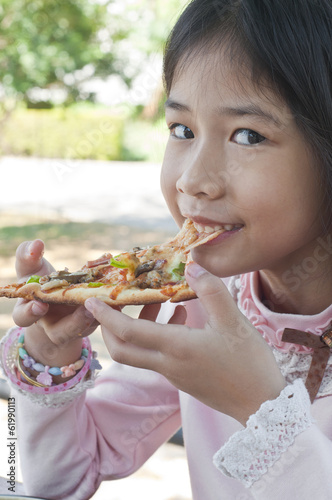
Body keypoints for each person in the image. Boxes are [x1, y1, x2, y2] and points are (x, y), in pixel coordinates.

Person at [1, 0, 332, 498]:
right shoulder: (201, 307)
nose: (193, 180)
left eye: (247, 135)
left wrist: (259, 406)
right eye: (183, 130)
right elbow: (63, 478)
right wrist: (52, 352)